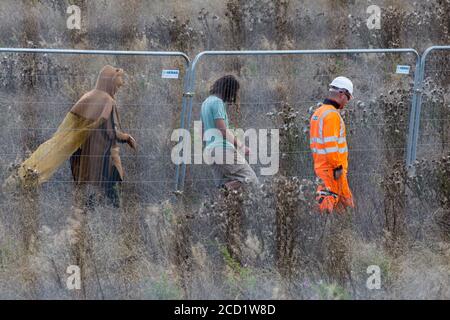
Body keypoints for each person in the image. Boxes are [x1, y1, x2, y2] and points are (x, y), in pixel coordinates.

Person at [7, 65, 136, 208]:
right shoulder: (107, 100)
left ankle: (20, 181)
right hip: (98, 152)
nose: (122, 83)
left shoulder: (88, 95)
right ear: (110, 81)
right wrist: (126, 137)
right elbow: (107, 125)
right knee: (114, 178)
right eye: (120, 79)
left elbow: (81, 122)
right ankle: (104, 207)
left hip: (80, 150)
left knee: (90, 186)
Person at [200, 75, 258, 190]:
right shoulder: (217, 103)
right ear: (229, 90)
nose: (234, 96)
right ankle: (227, 188)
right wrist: (241, 146)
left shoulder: (205, 103)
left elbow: (202, 132)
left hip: (210, 150)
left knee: (225, 187)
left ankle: (220, 204)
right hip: (222, 150)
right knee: (251, 179)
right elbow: (223, 130)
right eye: (234, 92)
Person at [309, 76, 355, 214]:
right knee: (337, 205)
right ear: (342, 94)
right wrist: (338, 170)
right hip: (333, 170)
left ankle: (341, 231)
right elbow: (331, 147)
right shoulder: (332, 115)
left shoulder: (319, 112)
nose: (347, 102)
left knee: (336, 205)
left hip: (322, 167)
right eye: (348, 98)